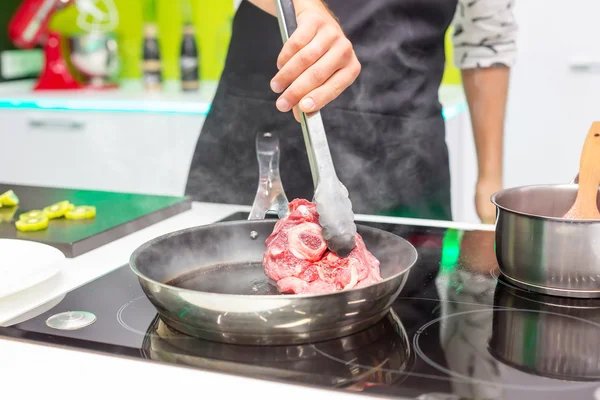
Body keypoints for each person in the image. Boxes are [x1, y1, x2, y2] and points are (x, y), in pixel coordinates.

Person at [185, 0, 517, 223]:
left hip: (405, 152)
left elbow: (486, 41)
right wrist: (303, 6)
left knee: (405, 307)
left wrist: (489, 180)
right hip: (264, 129)